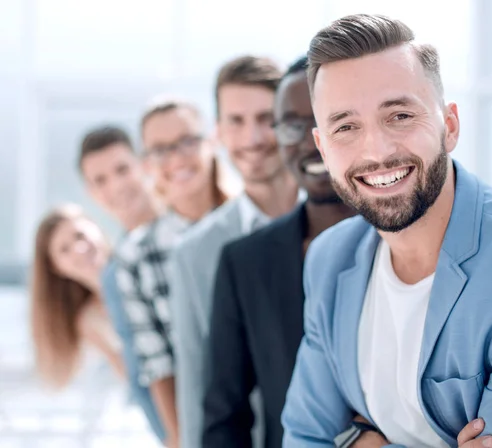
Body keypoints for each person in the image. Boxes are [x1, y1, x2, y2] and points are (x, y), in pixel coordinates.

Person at [282, 14, 492, 448]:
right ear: (323, 147)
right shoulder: (329, 258)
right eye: (346, 127)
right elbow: (303, 436)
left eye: (399, 115)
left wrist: (362, 441)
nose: (376, 150)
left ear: (449, 126)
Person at [202, 56, 355, 448]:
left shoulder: (411, 241)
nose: (310, 141)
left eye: (328, 120)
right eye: (291, 126)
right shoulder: (245, 263)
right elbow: (224, 419)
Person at [170, 55, 300, 448]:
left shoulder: (340, 226)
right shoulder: (193, 254)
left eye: (266, 119)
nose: (253, 138)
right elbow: (196, 389)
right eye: (236, 121)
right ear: (218, 133)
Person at [115, 98, 228, 448]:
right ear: (147, 164)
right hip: (207, 422)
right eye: (161, 150)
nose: (177, 158)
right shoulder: (138, 255)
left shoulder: (254, 225)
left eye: (187, 141)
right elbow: (158, 365)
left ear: (211, 141)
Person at [78, 125, 165, 441]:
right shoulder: (115, 275)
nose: (115, 186)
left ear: (144, 165)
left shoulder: (190, 229)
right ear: (90, 192)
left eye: (122, 169)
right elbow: (141, 376)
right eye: (100, 180)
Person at [30, 205, 124, 389]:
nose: (79, 249)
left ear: (95, 228)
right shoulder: (90, 321)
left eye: (79, 235)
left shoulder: (140, 265)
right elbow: (131, 378)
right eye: (64, 249)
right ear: (55, 267)